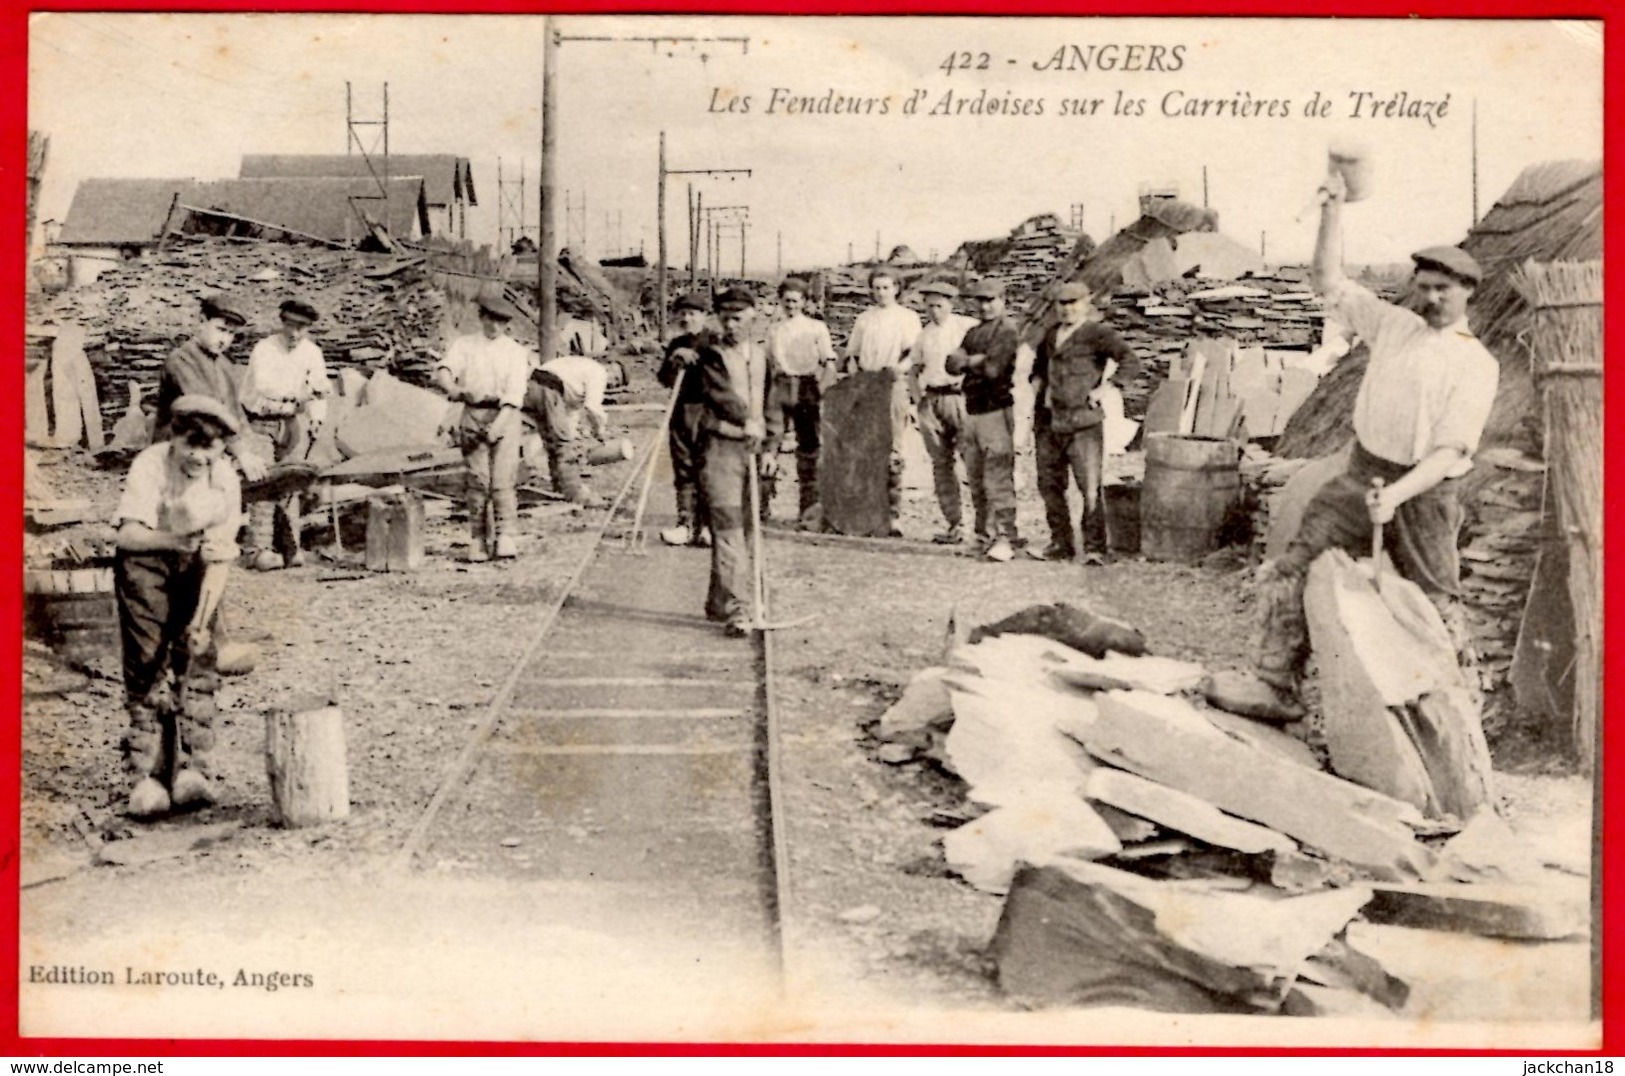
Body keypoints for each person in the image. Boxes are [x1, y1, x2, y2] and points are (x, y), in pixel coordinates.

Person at [1245, 169, 1499, 719]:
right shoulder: (1392, 326)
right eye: (1425, 287)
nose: (1431, 298)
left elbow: (1450, 453)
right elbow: (1328, 280)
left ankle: (1458, 715)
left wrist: (1400, 494)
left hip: (1425, 498)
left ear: (1467, 293)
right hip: (1359, 477)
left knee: (1436, 607)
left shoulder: (1475, 364)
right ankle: (1273, 685)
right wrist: (1334, 210)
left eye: (1444, 290)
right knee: (1290, 566)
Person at [113, 395, 244, 818]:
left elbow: (222, 557)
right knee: (148, 660)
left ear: (221, 448)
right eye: (190, 445)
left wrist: (202, 622)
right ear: (173, 435)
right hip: (146, 562)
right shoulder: (150, 465)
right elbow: (128, 535)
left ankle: (195, 768)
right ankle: (146, 776)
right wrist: (174, 540)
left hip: (199, 567)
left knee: (197, 658)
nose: (197, 457)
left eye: (209, 450)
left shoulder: (224, 479)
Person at [1029, 281, 1140, 565]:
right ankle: (1060, 544)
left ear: (1087, 303)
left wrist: (1107, 387)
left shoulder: (1097, 333)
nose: (1067, 309)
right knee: (1050, 486)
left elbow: (1130, 360)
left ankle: (1094, 548)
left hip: (1083, 424)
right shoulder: (1050, 335)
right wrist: (1037, 392)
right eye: (1061, 304)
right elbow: (1038, 371)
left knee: (1089, 488)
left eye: (1073, 303)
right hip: (1049, 423)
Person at [695, 288, 779, 637]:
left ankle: (721, 601)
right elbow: (721, 395)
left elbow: (774, 403)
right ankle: (738, 609)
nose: (731, 325)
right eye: (725, 318)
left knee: (746, 528)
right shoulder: (712, 356)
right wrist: (747, 420)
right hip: (721, 448)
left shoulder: (763, 357)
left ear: (754, 316)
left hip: (756, 452)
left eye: (738, 318)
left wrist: (772, 445)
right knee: (728, 527)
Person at [435, 294, 530, 561]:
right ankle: (477, 538)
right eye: (490, 320)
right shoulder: (465, 345)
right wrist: (454, 389)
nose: (495, 327)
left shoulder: (515, 351)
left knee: (502, 480)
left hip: (505, 414)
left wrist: (499, 424)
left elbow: (515, 393)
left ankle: (505, 535)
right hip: (473, 413)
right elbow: (443, 371)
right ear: (482, 318)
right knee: (478, 480)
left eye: (501, 322)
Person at [239, 297, 330, 571]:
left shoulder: (312, 352)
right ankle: (258, 550)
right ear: (282, 323)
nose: (295, 333)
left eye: (302, 328)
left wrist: (316, 417)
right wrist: (299, 395)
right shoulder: (264, 349)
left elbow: (320, 388)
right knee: (262, 482)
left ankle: (290, 547)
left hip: (291, 423)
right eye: (290, 326)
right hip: (261, 421)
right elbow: (265, 386)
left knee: (292, 482)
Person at [945, 280, 1022, 562]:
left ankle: (1005, 536)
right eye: (980, 300)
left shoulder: (1007, 331)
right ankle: (982, 536)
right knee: (975, 477)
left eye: (990, 300)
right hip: (972, 409)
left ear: (1003, 300)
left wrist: (969, 361)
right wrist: (971, 360)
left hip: (996, 410)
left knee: (997, 476)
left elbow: (993, 369)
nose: (985, 305)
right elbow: (951, 364)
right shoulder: (973, 332)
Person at [154, 294, 268, 483]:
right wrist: (240, 453)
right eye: (220, 330)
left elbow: (235, 413)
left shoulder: (224, 364)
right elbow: (204, 414)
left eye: (231, 334)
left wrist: (251, 449)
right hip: (180, 452)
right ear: (202, 321)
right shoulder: (182, 360)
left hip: (214, 448)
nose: (225, 340)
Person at [842, 268, 921, 536]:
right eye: (876, 288)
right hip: (866, 384)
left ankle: (893, 514)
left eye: (886, 288)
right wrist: (855, 374)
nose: (881, 293)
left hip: (892, 384)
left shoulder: (907, 318)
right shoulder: (864, 319)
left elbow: (913, 353)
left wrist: (899, 370)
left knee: (893, 449)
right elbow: (852, 353)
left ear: (897, 289)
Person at [763, 277, 837, 522]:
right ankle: (761, 503)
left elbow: (829, 363)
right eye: (786, 301)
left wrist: (821, 391)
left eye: (795, 301)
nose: (791, 305)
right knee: (770, 443)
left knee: (809, 446)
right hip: (780, 385)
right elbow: (767, 362)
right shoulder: (774, 329)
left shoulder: (816, 328)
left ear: (804, 302)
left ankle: (808, 507)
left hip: (807, 386)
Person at [909, 281, 977, 544]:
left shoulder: (966, 328)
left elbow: (982, 359)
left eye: (939, 305)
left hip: (959, 398)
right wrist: (918, 400)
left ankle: (983, 526)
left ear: (951, 304)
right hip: (932, 399)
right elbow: (914, 370)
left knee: (971, 460)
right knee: (941, 465)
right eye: (930, 306)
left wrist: (971, 383)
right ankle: (955, 523)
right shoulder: (924, 334)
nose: (935, 311)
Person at [657, 292, 715, 546]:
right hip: (681, 411)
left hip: (709, 411)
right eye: (682, 313)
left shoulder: (715, 342)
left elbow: (721, 378)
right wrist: (674, 360)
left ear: (704, 316)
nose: (686, 318)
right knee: (683, 466)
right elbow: (664, 379)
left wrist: (699, 362)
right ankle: (685, 523)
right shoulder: (676, 342)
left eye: (692, 314)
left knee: (708, 467)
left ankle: (708, 525)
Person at [526, 352, 611, 508]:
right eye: (617, 377)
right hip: (548, 388)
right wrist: (600, 430)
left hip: (529, 386)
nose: (614, 382)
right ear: (612, 368)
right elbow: (592, 407)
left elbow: (570, 416)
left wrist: (569, 436)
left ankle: (559, 485)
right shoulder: (599, 372)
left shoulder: (577, 370)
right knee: (563, 447)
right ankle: (575, 493)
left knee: (553, 442)